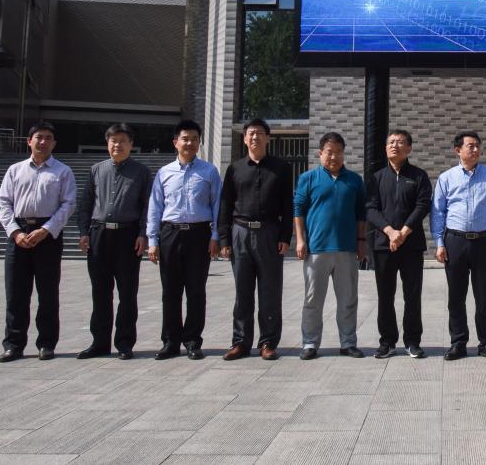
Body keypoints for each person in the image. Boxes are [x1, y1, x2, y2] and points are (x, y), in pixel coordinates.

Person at [0, 122, 76, 362]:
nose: (43, 141)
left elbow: (68, 205)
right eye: (39, 137)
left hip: (47, 237)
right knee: (16, 293)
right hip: (18, 234)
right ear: (29, 141)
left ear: (54, 143)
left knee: (48, 293)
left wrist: (46, 230)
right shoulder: (15, 170)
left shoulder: (63, 172)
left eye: (48, 138)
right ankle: (13, 344)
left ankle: (47, 343)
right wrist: (15, 232)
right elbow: (3, 203)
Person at [217, 118, 293, 361]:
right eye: (251, 133)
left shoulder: (281, 168)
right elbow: (225, 204)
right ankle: (240, 342)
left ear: (268, 138)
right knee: (243, 292)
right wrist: (224, 239)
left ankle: (268, 342)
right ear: (244, 138)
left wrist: (285, 236)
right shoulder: (235, 169)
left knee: (270, 292)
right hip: (240, 232)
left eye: (260, 133)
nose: (255, 137)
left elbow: (287, 205)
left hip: (269, 233)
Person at [146, 120, 222, 360]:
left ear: (199, 143)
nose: (190, 143)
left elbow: (217, 205)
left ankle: (192, 341)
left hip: (199, 235)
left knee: (196, 291)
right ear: (175, 142)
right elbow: (155, 207)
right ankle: (170, 342)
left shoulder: (209, 171)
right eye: (185, 139)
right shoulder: (164, 173)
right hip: (170, 233)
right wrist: (152, 240)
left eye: (194, 139)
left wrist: (215, 236)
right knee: (170, 291)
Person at [76, 123, 151, 360]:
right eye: (113, 141)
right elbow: (86, 203)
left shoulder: (141, 172)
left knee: (127, 293)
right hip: (99, 235)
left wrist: (143, 234)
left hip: (128, 237)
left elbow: (147, 206)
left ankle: (125, 343)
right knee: (100, 292)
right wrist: (83, 232)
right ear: (107, 143)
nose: (117, 145)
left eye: (122, 141)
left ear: (131, 145)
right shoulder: (96, 170)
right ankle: (99, 342)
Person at [431, 131, 486, 361]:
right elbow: (438, 212)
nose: (475, 150)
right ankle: (458, 342)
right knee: (456, 296)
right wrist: (439, 243)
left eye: (477, 146)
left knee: (483, 296)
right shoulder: (446, 178)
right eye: (470, 146)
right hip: (455, 241)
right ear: (458, 150)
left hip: (483, 241)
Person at [294, 132, 366, 359]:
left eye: (338, 152)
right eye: (329, 152)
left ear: (344, 154)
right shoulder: (308, 178)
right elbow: (298, 211)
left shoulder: (354, 180)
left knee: (348, 300)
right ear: (320, 153)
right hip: (316, 249)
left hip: (347, 249)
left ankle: (348, 342)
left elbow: (361, 214)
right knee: (312, 300)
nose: (333, 157)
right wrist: (300, 239)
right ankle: (310, 343)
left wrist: (361, 242)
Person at [366, 129, 432, 359]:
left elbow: (423, 205)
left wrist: (402, 233)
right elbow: (371, 208)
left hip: (411, 245)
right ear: (386, 148)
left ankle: (412, 341)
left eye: (400, 142)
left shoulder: (419, 176)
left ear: (409, 148)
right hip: (383, 245)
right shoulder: (376, 178)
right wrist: (390, 232)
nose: (395, 145)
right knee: (385, 295)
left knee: (412, 295)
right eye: (391, 142)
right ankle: (387, 341)